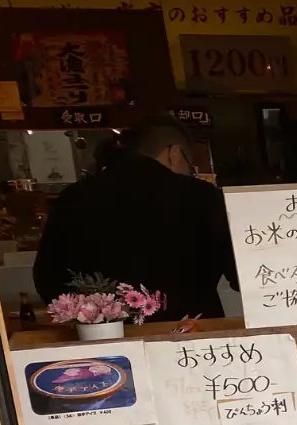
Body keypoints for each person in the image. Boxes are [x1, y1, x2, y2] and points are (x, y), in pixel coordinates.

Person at [35, 115, 237, 321]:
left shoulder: (76, 196)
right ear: (174, 153)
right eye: (188, 164)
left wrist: (91, 316)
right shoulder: (201, 196)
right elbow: (239, 270)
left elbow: (48, 278)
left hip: (104, 338)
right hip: (194, 333)